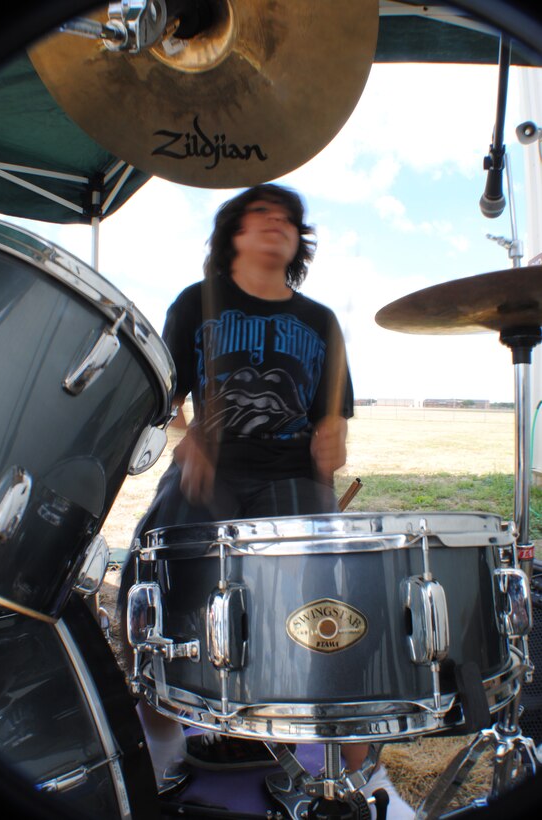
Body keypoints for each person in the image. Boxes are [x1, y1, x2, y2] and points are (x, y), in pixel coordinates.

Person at [119, 183, 412, 817]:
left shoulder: (321, 321)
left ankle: (358, 778)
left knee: (332, 621)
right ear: (233, 236)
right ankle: (165, 752)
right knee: (153, 594)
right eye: (261, 215)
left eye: (288, 219)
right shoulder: (196, 304)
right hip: (212, 473)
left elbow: (332, 419)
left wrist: (334, 440)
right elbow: (162, 402)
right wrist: (183, 436)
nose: (278, 223)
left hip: (290, 480)